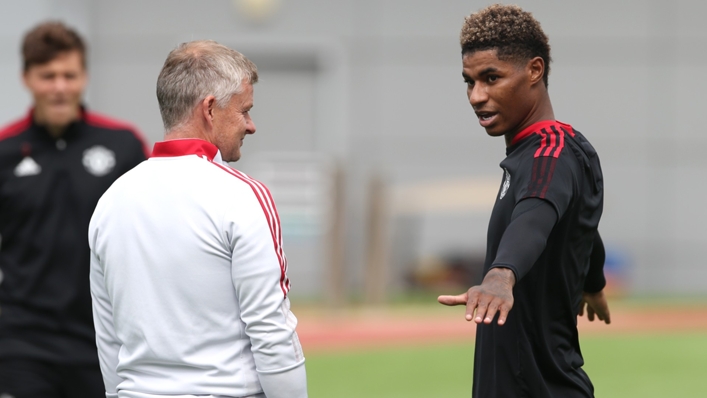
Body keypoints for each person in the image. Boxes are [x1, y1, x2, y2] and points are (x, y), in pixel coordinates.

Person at [88, 40, 307, 398]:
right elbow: (272, 331)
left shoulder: (111, 201)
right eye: (244, 110)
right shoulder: (243, 195)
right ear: (209, 109)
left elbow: (108, 336)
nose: (251, 126)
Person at [437, 4, 610, 397]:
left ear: (534, 71)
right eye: (469, 82)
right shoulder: (560, 149)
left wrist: (501, 274)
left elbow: (535, 214)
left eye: (491, 78)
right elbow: (578, 223)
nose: (476, 96)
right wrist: (593, 280)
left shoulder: (548, 153)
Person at [0, 21, 148, 398]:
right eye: (48, 76)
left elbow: (150, 236)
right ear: (26, 78)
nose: (60, 87)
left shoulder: (124, 145)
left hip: (104, 342)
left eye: (69, 74)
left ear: (84, 77)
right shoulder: (4, 149)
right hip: (21, 344)